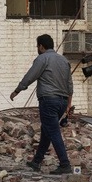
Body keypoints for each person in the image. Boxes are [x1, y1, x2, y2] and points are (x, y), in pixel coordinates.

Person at [10, 34, 74, 174]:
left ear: (41, 46)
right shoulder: (64, 60)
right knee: (47, 131)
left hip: (49, 100)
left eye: (37, 46)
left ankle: (65, 164)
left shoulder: (42, 58)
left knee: (53, 131)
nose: (37, 49)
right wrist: (68, 104)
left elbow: (30, 76)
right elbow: (70, 84)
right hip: (62, 101)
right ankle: (37, 161)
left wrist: (17, 90)